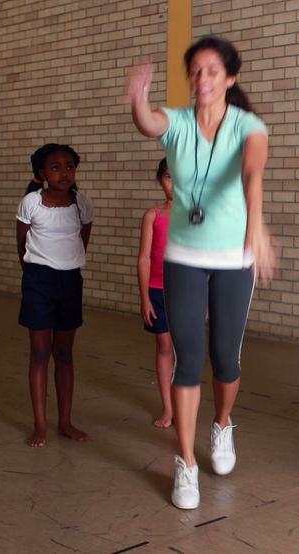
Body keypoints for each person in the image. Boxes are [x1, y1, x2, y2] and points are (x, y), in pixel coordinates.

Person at [126, 36, 276, 510]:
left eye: (212, 70)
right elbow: (149, 123)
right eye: (195, 70)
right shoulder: (178, 122)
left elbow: (253, 174)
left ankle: (223, 425)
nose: (202, 78)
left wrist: (257, 227)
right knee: (189, 360)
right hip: (185, 255)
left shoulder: (248, 125)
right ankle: (186, 463)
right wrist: (137, 98)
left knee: (225, 358)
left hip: (234, 256)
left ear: (230, 78)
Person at [17, 143, 93, 447]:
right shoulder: (31, 203)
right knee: (39, 354)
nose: (64, 173)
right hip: (38, 280)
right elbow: (21, 243)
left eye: (70, 166)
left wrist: (66, 267)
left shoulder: (82, 204)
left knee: (64, 354)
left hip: (70, 281)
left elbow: (82, 240)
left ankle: (65, 421)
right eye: (56, 167)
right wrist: (36, 275)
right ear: (42, 173)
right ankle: (40, 424)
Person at [137, 158, 175, 429]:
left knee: (185, 351)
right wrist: (145, 298)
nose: (175, 183)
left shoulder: (197, 213)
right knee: (164, 346)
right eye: (169, 176)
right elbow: (144, 259)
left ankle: (184, 403)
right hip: (158, 291)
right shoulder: (153, 215)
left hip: (187, 291)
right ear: (160, 179)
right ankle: (168, 407)